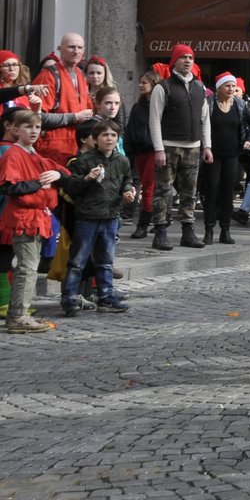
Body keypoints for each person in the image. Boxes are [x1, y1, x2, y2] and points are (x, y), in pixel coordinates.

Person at [1, 109, 92, 332]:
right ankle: (18, 316)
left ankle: (18, 314)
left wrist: (59, 176)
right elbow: (9, 186)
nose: (33, 131)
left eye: (37, 127)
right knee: (27, 268)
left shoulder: (35, 155)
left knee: (28, 267)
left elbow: (65, 175)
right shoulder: (13, 154)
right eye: (28, 127)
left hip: (37, 217)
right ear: (15, 130)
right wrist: (39, 184)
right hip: (25, 217)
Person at [60, 119, 135, 316]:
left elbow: (126, 181)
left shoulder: (122, 161)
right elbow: (71, 187)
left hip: (111, 216)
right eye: (104, 135)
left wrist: (128, 192)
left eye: (113, 135)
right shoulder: (83, 161)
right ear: (95, 139)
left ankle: (106, 297)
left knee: (106, 261)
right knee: (78, 261)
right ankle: (69, 298)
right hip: (87, 217)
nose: (109, 139)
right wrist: (87, 179)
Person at [147, 44, 213, 251]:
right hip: (168, 146)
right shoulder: (163, 87)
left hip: (192, 147)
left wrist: (207, 146)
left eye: (190, 58)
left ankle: (188, 231)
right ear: (174, 61)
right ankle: (160, 232)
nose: (187, 61)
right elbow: (154, 120)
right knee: (163, 190)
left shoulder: (200, 87)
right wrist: (158, 149)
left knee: (189, 192)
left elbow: (205, 119)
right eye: (183, 57)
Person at [200, 73, 250, 246]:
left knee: (227, 193)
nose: (231, 89)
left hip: (232, 155)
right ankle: (209, 230)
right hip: (212, 155)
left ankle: (225, 230)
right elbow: (201, 124)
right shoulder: (209, 104)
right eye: (227, 86)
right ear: (218, 88)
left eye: (233, 86)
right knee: (212, 192)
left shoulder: (240, 104)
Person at [30, 33, 95, 167]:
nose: (76, 51)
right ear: (60, 49)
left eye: (79, 47)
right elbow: (36, 117)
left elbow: (88, 109)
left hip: (77, 147)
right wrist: (74, 117)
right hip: (53, 148)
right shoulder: (48, 76)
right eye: (71, 47)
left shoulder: (80, 74)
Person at [124, 71, 160, 239]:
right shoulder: (137, 106)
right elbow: (130, 128)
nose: (140, 85)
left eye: (144, 82)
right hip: (139, 151)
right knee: (148, 187)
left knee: (148, 187)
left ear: (153, 84)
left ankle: (143, 224)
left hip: (153, 149)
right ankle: (160, 219)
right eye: (140, 82)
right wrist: (129, 148)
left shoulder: (159, 105)